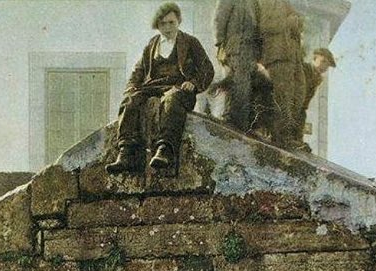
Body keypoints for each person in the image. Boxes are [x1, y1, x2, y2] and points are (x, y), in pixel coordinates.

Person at [106, 3, 214, 174]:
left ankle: (165, 150)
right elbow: (138, 71)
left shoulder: (190, 42)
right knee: (130, 101)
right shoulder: (152, 44)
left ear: (178, 21)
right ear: (157, 25)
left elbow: (207, 69)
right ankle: (126, 152)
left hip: (178, 87)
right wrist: (132, 88)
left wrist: (193, 83)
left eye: (171, 22)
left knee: (171, 100)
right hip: (153, 86)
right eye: (163, 24)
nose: (168, 27)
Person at [255, 0, 306, 150]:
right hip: (277, 55)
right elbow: (262, 26)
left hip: (294, 56)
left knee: (298, 94)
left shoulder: (287, 3)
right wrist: (288, 22)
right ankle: (281, 137)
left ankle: (288, 134)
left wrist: (297, 22)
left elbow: (297, 27)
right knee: (283, 96)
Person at [213, 0, 261, 133]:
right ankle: (230, 119)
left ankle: (241, 124)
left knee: (245, 88)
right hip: (234, 48)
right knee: (235, 84)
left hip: (249, 52)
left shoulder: (255, 3)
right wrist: (220, 44)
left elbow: (257, 29)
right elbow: (219, 19)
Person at [295, 48, 336, 151]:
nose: (325, 67)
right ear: (314, 58)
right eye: (323, 62)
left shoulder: (317, 78)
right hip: (291, 104)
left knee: (300, 120)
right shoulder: (303, 69)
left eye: (327, 65)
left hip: (301, 108)